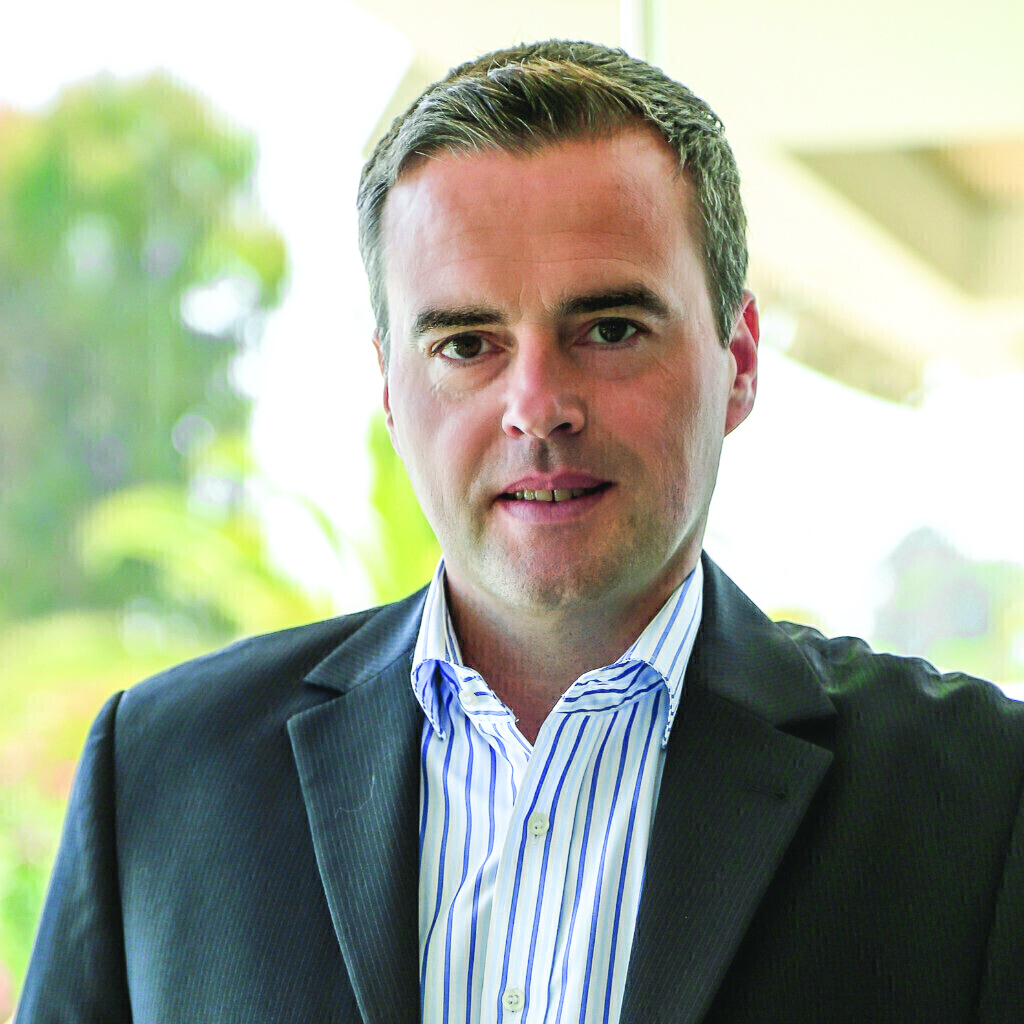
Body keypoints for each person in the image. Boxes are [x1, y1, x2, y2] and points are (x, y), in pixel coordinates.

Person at [16, 39, 1024, 1024]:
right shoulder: (160, 776)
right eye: (467, 344)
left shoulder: (980, 802)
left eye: (611, 329)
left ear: (740, 359)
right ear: (389, 386)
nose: (537, 407)